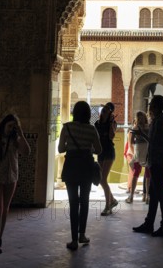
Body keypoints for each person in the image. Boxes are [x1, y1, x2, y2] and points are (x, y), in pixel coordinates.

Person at [0, 113, 31, 261]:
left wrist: (21, 134)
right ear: (3, 125)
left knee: (5, 210)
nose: (11, 129)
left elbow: (27, 152)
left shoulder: (16, 140)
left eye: (14, 127)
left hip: (10, 178)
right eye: (9, 126)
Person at [58, 100, 102, 250]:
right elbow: (99, 150)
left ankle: (74, 240)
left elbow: (60, 149)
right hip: (86, 167)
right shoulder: (91, 129)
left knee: (73, 203)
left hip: (71, 167)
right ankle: (82, 234)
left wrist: (70, 146)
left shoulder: (67, 128)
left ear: (74, 113)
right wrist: (88, 148)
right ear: (89, 114)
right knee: (84, 201)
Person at [133, 95, 163, 237]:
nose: (149, 107)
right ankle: (149, 223)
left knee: (161, 194)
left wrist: (141, 133)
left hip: (158, 161)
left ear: (155, 106)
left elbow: (155, 142)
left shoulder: (159, 121)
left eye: (151, 105)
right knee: (154, 194)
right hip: (160, 161)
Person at [94, 102, 118, 216]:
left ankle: (108, 206)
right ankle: (112, 200)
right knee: (100, 179)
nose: (104, 111)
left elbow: (111, 136)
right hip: (100, 152)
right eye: (103, 109)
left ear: (110, 112)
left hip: (109, 151)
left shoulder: (112, 123)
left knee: (103, 179)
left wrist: (110, 123)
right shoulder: (97, 123)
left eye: (107, 110)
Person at [125, 111, 150, 204]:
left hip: (140, 151)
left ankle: (132, 196)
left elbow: (131, 142)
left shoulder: (135, 128)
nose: (140, 120)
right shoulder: (148, 127)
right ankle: (146, 196)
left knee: (139, 173)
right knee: (146, 174)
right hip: (144, 151)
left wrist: (133, 151)